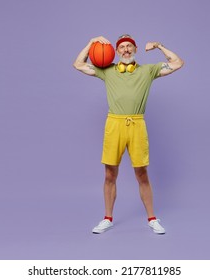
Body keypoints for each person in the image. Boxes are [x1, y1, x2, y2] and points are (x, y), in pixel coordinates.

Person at [73, 34, 184, 234]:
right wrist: (91, 43)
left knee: (142, 174)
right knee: (109, 174)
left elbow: (177, 63)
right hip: (114, 123)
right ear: (116, 51)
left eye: (129, 46)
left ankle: (152, 218)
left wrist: (159, 45)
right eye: (122, 47)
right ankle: (107, 218)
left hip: (137, 124)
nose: (125, 49)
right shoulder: (107, 71)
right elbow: (78, 64)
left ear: (135, 50)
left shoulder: (148, 70)